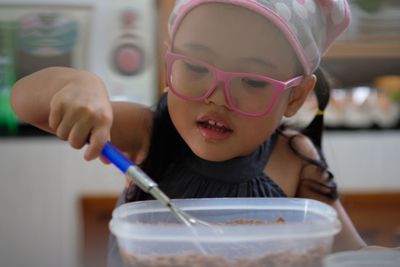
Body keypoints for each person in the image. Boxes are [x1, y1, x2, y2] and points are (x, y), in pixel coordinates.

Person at [11, 0, 369, 266]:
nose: (216, 97)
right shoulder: (146, 132)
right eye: (196, 66)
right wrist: (78, 84)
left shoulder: (294, 157)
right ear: (170, 64)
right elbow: (25, 103)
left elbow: (353, 257)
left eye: (252, 80)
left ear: (295, 96)